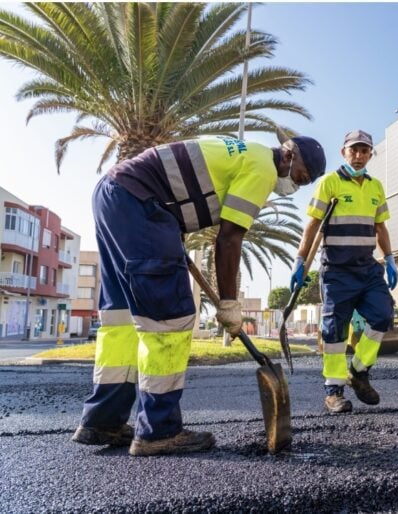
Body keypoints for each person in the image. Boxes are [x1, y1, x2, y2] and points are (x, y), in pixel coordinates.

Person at [71, 130, 326, 456]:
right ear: (289, 156)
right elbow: (230, 238)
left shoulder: (245, 152)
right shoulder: (262, 167)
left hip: (115, 195)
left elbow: (183, 186)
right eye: (300, 178)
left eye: (304, 184)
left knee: (121, 318)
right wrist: (231, 305)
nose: (294, 186)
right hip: (140, 203)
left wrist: (169, 226)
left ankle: (101, 420)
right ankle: (158, 430)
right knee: (169, 317)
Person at [291, 129, 398, 414]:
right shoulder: (330, 183)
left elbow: (380, 227)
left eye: (365, 151)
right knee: (334, 332)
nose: (360, 155)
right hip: (337, 271)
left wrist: (389, 258)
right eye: (354, 150)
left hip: (367, 269)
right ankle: (333, 391)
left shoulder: (375, 187)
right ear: (344, 152)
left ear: (370, 154)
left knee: (383, 316)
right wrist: (300, 260)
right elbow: (313, 224)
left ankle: (359, 371)